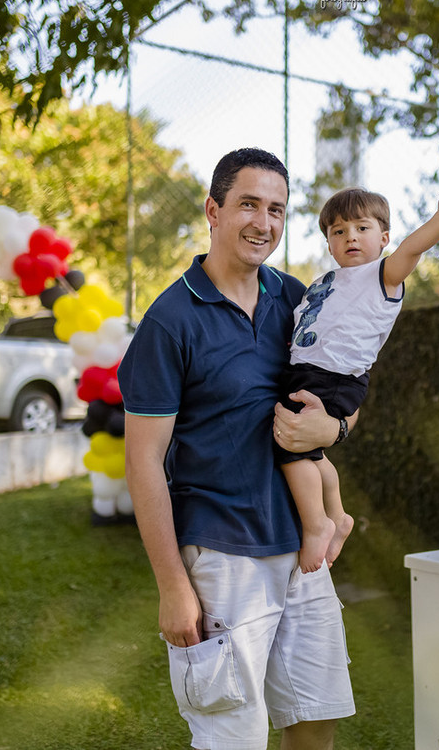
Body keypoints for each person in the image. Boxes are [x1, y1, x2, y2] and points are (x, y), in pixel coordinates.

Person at [118, 148, 355, 750]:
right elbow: (143, 462)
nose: (263, 223)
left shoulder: (301, 300)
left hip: (303, 551)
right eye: (248, 204)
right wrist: (173, 584)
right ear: (213, 211)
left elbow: (344, 391)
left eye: (276, 210)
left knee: (315, 721)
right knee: (233, 738)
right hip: (221, 554)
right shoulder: (170, 321)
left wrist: (335, 432)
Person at [278, 185, 439, 572]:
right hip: (308, 371)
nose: (350, 237)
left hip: (333, 376)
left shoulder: (383, 276)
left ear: (383, 238)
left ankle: (316, 525)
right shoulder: (323, 283)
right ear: (329, 244)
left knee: (288, 447)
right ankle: (338, 515)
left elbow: (412, 249)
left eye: (361, 228)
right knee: (312, 453)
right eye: (338, 231)